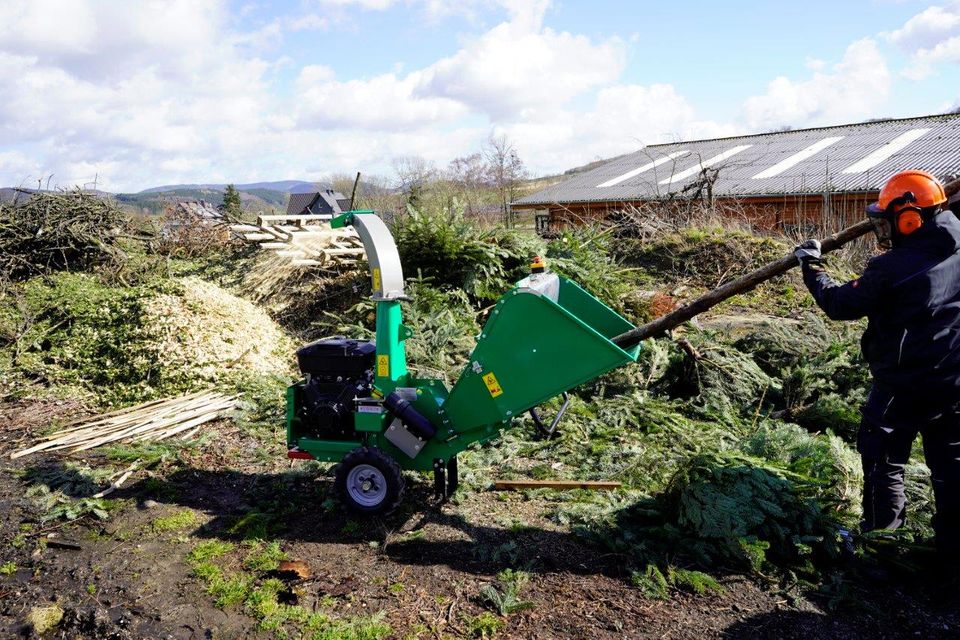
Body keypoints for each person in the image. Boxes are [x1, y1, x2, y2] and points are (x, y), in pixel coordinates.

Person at [794, 170, 960, 561]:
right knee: (952, 470)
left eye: (886, 221)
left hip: (902, 385)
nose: (882, 230)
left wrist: (812, 266)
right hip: (954, 380)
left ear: (909, 219)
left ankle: (881, 543)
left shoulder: (892, 268)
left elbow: (839, 304)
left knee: (884, 458)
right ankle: (953, 558)